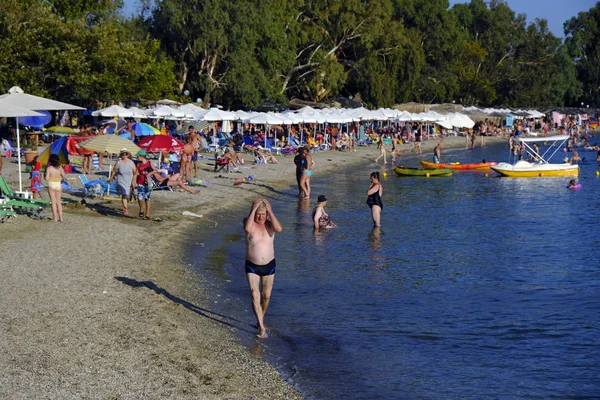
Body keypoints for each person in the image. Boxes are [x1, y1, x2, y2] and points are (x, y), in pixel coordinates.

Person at [244, 198, 283, 338]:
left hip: (269, 266)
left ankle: (260, 318)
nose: (260, 217)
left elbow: (279, 229)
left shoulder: (270, 226)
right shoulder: (249, 223)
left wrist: (270, 211)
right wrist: (253, 209)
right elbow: (247, 229)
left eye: (263, 214)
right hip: (252, 266)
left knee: (266, 296)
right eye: (258, 214)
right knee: (254, 293)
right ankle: (262, 328)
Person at [109, 148, 137, 216]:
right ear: (121, 155)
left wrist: (134, 181)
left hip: (128, 180)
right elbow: (114, 171)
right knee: (124, 194)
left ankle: (125, 205)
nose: (124, 156)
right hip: (120, 180)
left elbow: (135, 172)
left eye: (126, 154)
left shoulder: (131, 162)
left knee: (126, 196)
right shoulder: (119, 162)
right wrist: (111, 178)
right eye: (123, 154)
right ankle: (125, 208)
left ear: (128, 155)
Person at [133, 150, 155, 219]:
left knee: (147, 198)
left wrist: (150, 173)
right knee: (140, 198)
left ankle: (147, 214)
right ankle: (141, 210)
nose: (137, 158)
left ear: (141, 156)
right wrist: (134, 182)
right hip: (140, 182)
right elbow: (136, 173)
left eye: (138, 156)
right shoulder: (139, 164)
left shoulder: (149, 163)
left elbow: (155, 170)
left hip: (147, 182)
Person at [45, 154, 65, 222]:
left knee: (53, 202)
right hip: (58, 184)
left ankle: (55, 218)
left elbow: (46, 178)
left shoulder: (49, 168)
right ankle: (61, 218)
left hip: (51, 184)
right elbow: (63, 175)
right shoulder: (60, 167)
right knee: (59, 202)